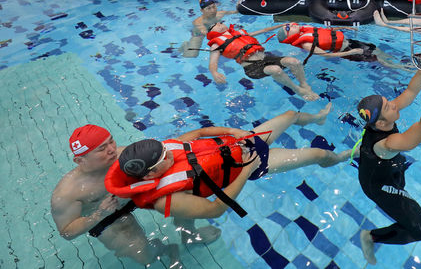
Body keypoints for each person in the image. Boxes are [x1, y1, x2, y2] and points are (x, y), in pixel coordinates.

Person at [106, 104, 349, 220]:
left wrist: (234, 131)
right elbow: (215, 209)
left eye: (165, 150)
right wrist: (248, 168)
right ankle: (341, 158)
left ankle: (316, 119)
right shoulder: (165, 200)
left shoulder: (169, 148)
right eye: (163, 158)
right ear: (149, 175)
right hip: (250, 166)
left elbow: (202, 133)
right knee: (320, 155)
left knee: (290, 114)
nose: (169, 154)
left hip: (240, 144)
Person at [50, 125, 211, 267]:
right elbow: (66, 232)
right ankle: (167, 250)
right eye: (101, 149)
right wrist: (99, 215)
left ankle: (189, 233)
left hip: (134, 196)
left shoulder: (125, 156)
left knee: (186, 190)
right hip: (108, 215)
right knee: (144, 256)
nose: (112, 149)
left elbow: (171, 153)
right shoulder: (67, 193)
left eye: (111, 141)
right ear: (80, 160)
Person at [355, 63, 421, 265]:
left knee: (401, 183)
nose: (394, 104)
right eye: (388, 106)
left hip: (383, 170)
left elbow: (410, 91)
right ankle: (370, 237)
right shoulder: (388, 143)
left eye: (388, 101)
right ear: (380, 124)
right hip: (378, 187)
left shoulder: (382, 118)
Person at [206, 21, 320, 100]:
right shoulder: (216, 44)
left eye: (221, 22)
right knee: (276, 70)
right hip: (252, 67)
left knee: (294, 62)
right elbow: (212, 62)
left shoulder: (239, 33)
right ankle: (298, 90)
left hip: (266, 58)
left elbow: (264, 30)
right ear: (211, 31)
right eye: (216, 24)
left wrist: (279, 26)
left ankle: (304, 84)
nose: (220, 23)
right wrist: (214, 72)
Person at [277, 22, 410, 69]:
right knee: (378, 59)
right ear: (289, 37)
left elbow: (327, 32)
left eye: (288, 24)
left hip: (350, 42)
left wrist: (345, 27)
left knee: (376, 49)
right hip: (347, 50)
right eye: (288, 28)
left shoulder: (305, 30)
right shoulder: (306, 43)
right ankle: (402, 68)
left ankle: (400, 62)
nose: (291, 25)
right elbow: (327, 55)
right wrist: (350, 53)